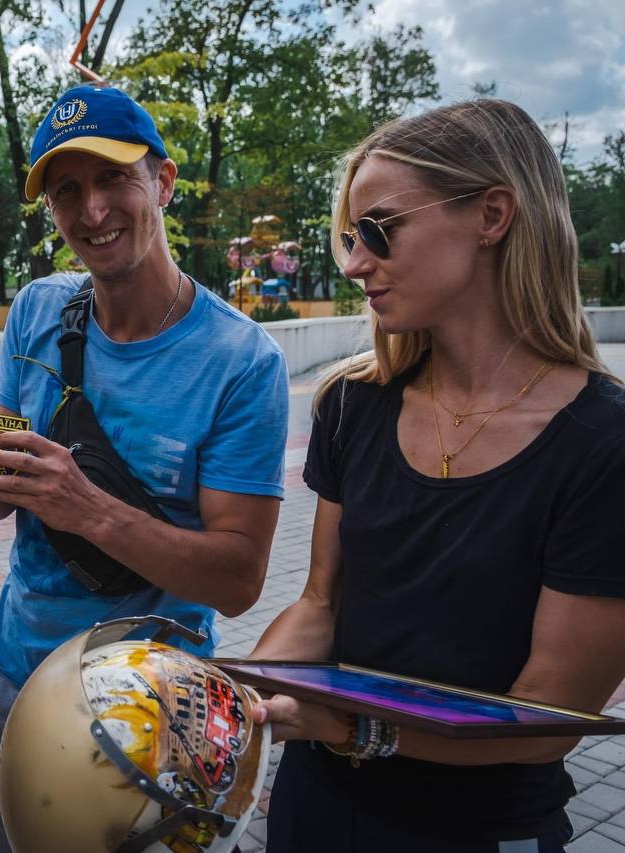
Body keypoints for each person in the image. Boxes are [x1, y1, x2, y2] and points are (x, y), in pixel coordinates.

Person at [0, 84, 290, 850]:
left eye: (113, 178)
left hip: (154, 709)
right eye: (67, 191)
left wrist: (85, 505)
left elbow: (239, 579)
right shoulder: (36, 310)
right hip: (16, 677)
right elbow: (16, 496)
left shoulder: (242, 361)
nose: (91, 211)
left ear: (163, 181)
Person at [249, 99, 625, 852]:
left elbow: (546, 716)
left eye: (380, 231)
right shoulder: (351, 402)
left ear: (492, 215)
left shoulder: (604, 442)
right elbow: (321, 601)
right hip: (315, 805)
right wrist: (238, 693)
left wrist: (353, 727)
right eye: (351, 239)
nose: (355, 263)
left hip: (481, 828)